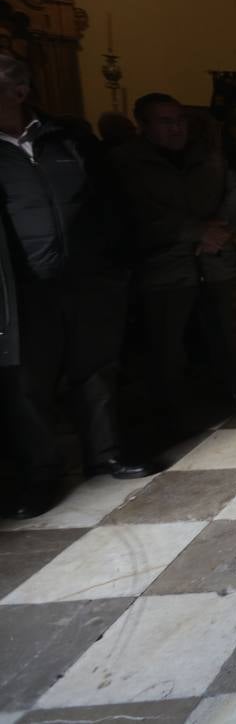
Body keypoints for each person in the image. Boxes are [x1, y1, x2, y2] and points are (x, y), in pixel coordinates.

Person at [0, 55, 154, 520]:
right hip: (23, 289)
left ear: (19, 91)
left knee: (96, 370)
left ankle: (104, 453)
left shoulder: (69, 138)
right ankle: (42, 471)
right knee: (27, 384)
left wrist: (116, 264)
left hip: (89, 279)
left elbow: (111, 201)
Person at [114, 93, 236, 433]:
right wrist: (193, 231)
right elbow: (134, 213)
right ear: (143, 125)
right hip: (166, 267)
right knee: (167, 345)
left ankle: (232, 393)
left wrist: (221, 230)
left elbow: (235, 192)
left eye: (181, 120)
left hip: (214, 261)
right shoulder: (126, 162)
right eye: (166, 122)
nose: (177, 128)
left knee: (223, 334)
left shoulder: (207, 156)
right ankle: (172, 412)